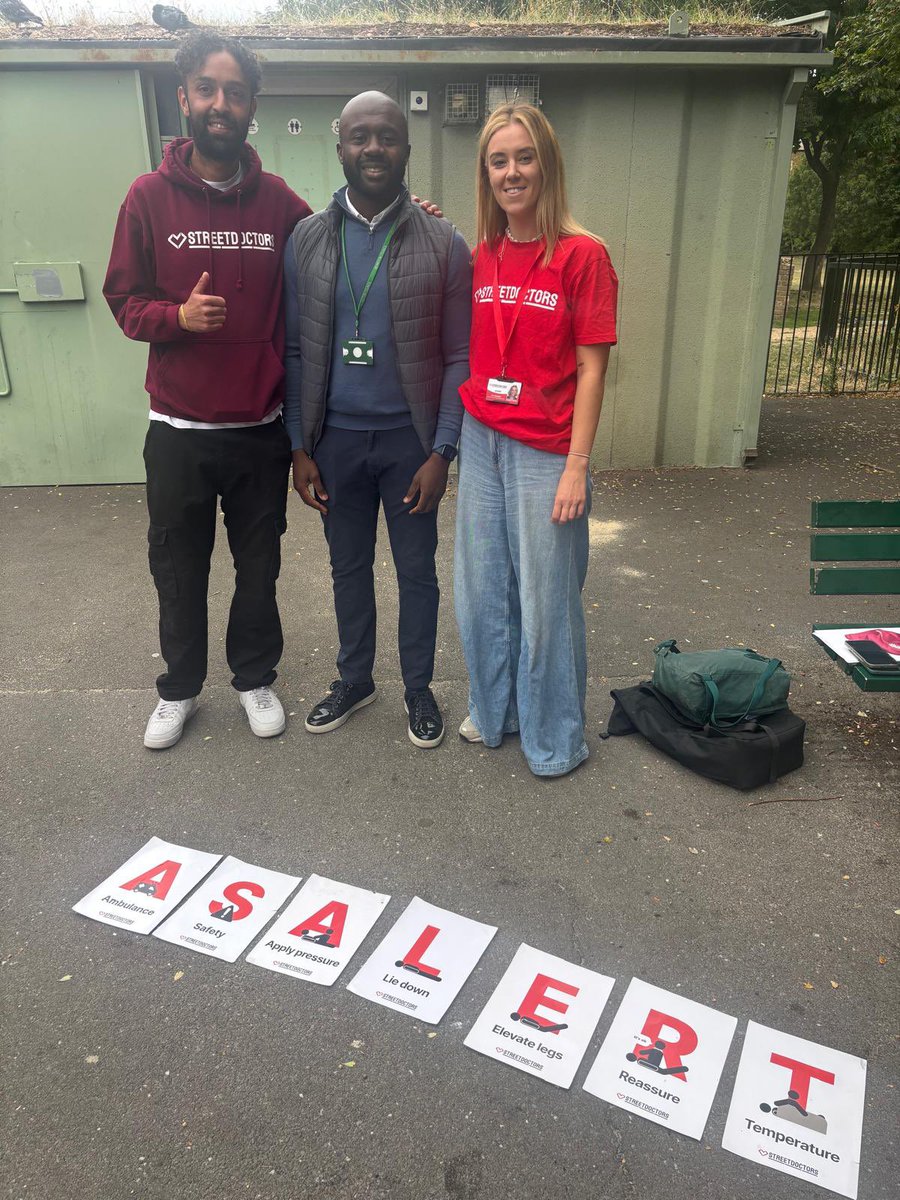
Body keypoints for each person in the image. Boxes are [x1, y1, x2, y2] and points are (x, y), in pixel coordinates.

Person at [103, 32, 311, 750]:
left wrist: (410, 223)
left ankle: (254, 678)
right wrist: (178, 319)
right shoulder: (148, 197)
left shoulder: (281, 202)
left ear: (252, 106)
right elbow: (124, 302)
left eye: (236, 92)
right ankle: (179, 691)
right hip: (178, 432)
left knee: (260, 569)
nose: (221, 103)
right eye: (208, 89)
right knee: (178, 569)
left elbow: (336, 252)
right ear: (185, 96)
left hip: (259, 431)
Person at [284, 92, 471, 749]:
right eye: (359, 136)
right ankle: (355, 679)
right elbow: (297, 348)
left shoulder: (443, 241)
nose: (373, 148)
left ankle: (419, 689)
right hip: (334, 442)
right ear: (340, 149)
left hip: (409, 443)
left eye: (386, 136)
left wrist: (442, 452)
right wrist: (299, 447)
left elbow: (458, 356)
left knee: (417, 572)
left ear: (407, 151)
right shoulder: (306, 238)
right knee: (347, 568)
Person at [454, 103, 618, 777]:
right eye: (499, 160)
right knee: (484, 589)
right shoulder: (481, 255)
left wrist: (577, 467)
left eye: (524, 158)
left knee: (547, 600)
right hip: (481, 437)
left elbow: (592, 367)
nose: (512, 172)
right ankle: (496, 713)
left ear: (546, 165)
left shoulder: (584, 256)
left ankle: (554, 737)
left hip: (545, 450)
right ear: (486, 173)